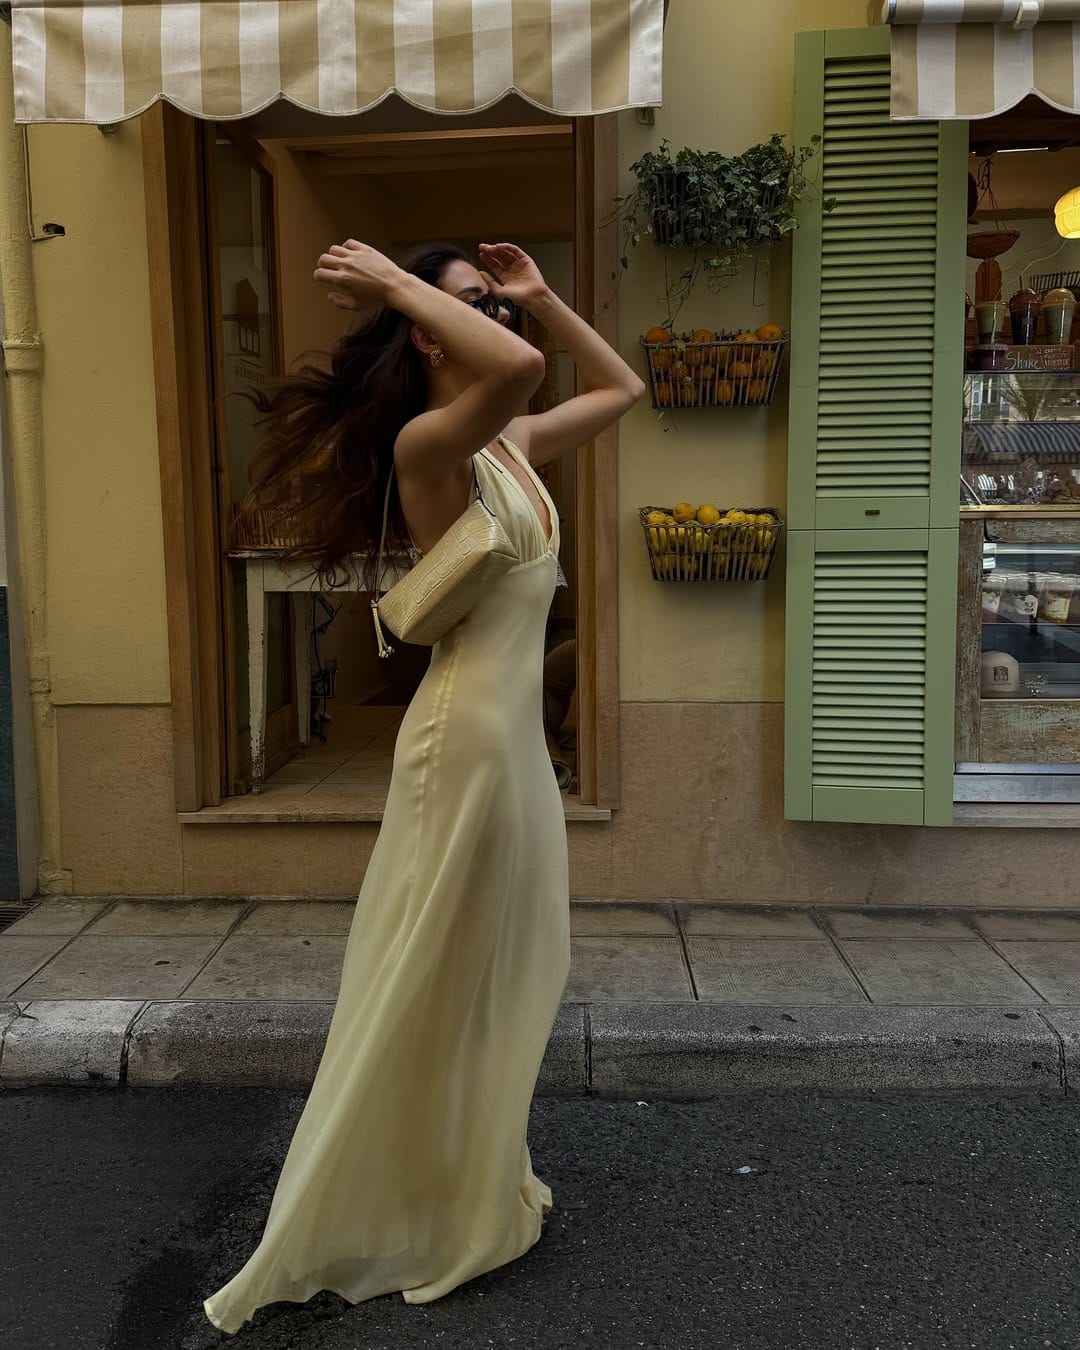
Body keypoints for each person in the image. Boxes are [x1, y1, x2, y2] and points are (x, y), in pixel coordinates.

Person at [202, 239, 644, 1334]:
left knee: (506, 968)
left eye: (497, 302)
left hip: (510, 752)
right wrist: (406, 285)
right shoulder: (431, 441)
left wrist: (544, 295)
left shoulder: (516, 448)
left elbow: (622, 387)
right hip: (465, 746)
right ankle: (406, 1199)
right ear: (424, 331)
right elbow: (520, 370)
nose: (498, 315)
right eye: (475, 303)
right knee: (436, 971)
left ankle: (463, 1177)